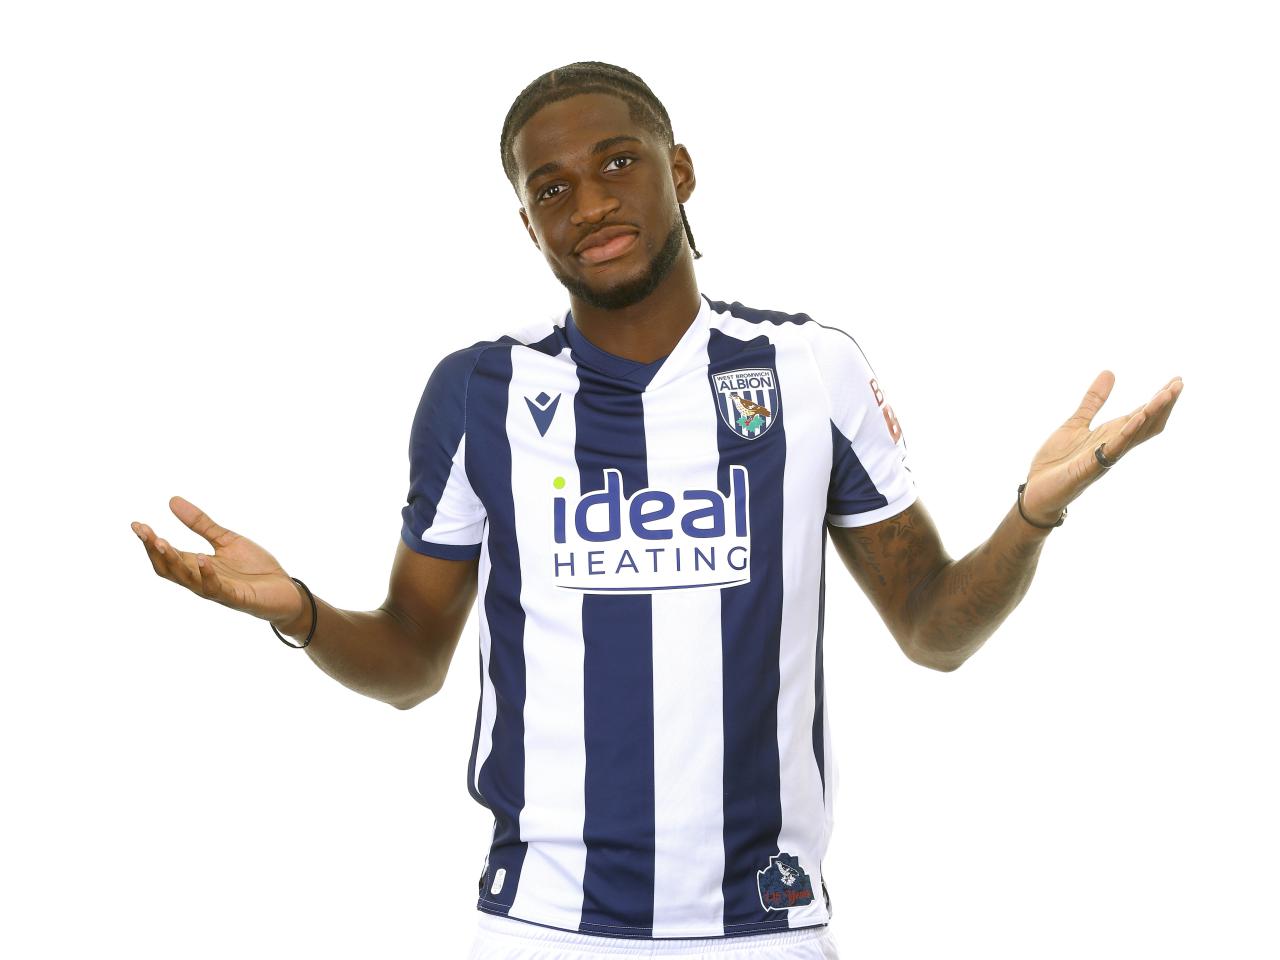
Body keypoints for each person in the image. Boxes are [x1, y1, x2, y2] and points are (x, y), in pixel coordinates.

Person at [131, 62, 1184, 960]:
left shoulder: (808, 371)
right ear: (527, 222)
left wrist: (1029, 515)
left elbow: (933, 630)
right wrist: (301, 610)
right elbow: (409, 663)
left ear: (678, 170)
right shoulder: (479, 394)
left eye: (616, 164)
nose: (588, 204)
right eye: (551, 188)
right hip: (545, 927)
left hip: (764, 925)